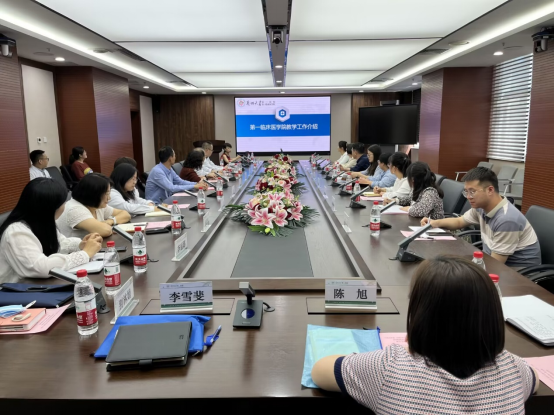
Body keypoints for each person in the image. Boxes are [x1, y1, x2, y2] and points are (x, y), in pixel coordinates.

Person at [312, 256, 539, 415]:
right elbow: (535, 379)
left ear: (422, 316)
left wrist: (400, 353)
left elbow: (320, 371)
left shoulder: (390, 367)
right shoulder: (513, 370)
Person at [422, 167, 541, 268]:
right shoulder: (481, 208)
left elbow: (495, 265)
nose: (468, 197)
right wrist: (434, 223)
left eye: (472, 192)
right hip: (492, 263)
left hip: (518, 276)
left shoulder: (507, 219)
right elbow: (459, 221)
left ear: (490, 190)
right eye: (466, 192)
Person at [0, 178, 102, 283]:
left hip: (39, 285)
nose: (65, 206)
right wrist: (84, 254)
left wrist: (81, 244)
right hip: (15, 290)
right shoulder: (16, 232)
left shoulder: (42, 222)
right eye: (63, 202)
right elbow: (41, 268)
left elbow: (60, 243)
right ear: (50, 207)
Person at [56, 173, 131, 238]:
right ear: (94, 194)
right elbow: (105, 231)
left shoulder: (96, 205)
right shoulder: (75, 209)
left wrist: (110, 221)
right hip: (76, 250)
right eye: (107, 193)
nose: (109, 198)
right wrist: (104, 226)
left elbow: (125, 215)